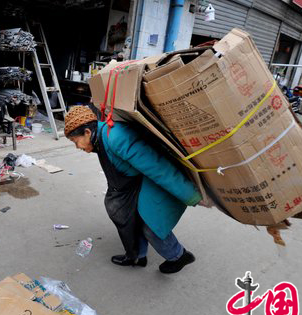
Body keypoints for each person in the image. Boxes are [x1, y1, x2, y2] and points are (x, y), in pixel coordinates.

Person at [64, 106, 202, 274]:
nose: (77, 146)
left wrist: (192, 196)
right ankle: (137, 256)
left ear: (87, 132)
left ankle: (178, 256)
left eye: (75, 141)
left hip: (149, 181)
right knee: (128, 219)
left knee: (149, 226)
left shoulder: (116, 137)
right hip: (130, 185)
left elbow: (157, 167)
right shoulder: (98, 138)